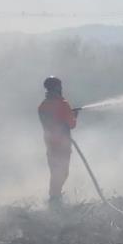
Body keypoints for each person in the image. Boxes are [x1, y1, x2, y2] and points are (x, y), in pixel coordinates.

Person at [38, 76, 78, 205]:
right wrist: (74, 116)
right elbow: (71, 125)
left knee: (55, 172)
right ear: (57, 87)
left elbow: (52, 121)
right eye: (59, 86)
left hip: (50, 144)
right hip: (62, 145)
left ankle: (55, 197)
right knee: (62, 172)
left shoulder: (42, 106)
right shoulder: (63, 104)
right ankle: (55, 200)